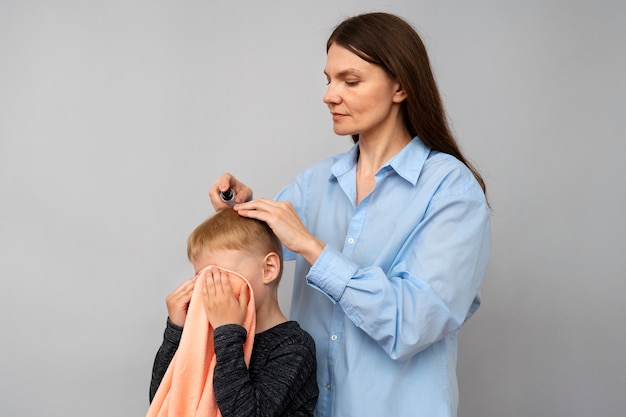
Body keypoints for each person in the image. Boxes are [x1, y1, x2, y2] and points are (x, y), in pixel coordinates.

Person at [207, 11, 491, 417]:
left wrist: (311, 247)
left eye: (350, 81)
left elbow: (412, 325)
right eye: (328, 80)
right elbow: (259, 260)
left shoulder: (451, 191)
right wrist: (242, 209)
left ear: (400, 86)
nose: (329, 95)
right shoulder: (315, 182)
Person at [149, 208, 319, 416]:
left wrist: (228, 333)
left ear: (268, 269)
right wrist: (176, 331)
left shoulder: (294, 347)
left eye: (220, 276)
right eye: (202, 278)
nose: (209, 289)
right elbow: (167, 401)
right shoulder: (211, 335)